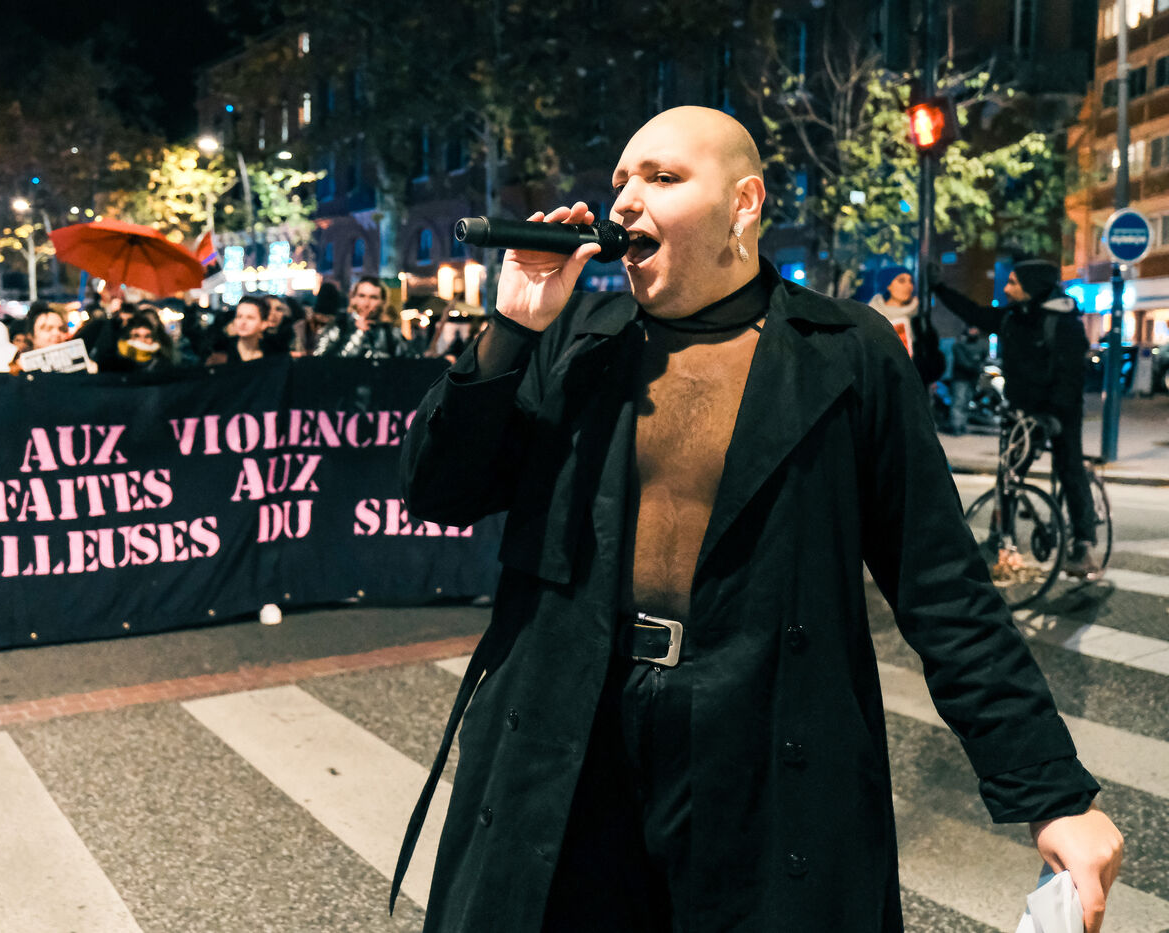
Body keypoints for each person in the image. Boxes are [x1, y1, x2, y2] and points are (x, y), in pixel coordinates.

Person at [392, 107, 1122, 933]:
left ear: (743, 203)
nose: (625, 200)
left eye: (662, 177)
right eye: (622, 180)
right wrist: (512, 330)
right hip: (571, 737)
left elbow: (942, 587)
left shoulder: (846, 352)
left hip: (759, 750)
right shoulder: (575, 342)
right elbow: (438, 491)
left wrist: (1053, 793)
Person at [933, 260, 1099, 577]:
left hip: (1061, 412)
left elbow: (1071, 377)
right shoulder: (1013, 317)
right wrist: (939, 288)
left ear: (1032, 286)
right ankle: (1001, 539)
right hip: (1021, 410)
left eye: (1013, 282)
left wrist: (1055, 415)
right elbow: (974, 313)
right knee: (1008, 475)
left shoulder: (1064, 322)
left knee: (1069, 468)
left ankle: (1084, 545)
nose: (1007, 288)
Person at [312, 276, 404, 358]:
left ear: (382, 301)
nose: (366, 303)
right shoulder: (338, 326)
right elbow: (321, 362)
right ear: (353, 298)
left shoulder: (389, 331)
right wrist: (359, 334)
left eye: (373, 297)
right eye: (362, 296)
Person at [947, 325, 988, 436]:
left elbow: (983, 358)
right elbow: (962, 362)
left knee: (966, 402)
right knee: (959, 401)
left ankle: (961, 425)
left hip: (972, 378)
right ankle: (956, 426)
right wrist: (977, 367)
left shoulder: (980, 345)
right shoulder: (959, 345)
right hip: (961, 378)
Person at [868, 266, 918, 353]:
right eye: (901, 281)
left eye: (911, 281)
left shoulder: (917, 315)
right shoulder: (871, 315)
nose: (909, 286)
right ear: (888, 285)